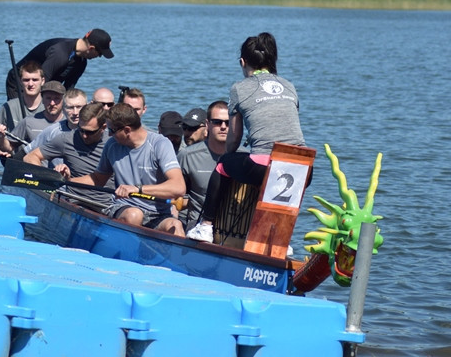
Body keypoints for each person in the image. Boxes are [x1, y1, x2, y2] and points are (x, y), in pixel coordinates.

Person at [187, 33, 305, 243]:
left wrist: (231, 157)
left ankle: (205, 226)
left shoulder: (239, 88)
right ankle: (280, 242)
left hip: (265, 166)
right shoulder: (289, 85)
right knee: (278, 172)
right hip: (303, 167)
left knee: (223, 164)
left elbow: (233, 139)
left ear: (243, 62)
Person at [70, 103, 186, 236]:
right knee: (134, 214)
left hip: (158, 213)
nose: (109, 134)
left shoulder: (160, 144)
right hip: (125, 207)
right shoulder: (112, 145)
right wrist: (66, 180)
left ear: (126, 130)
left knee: (175, 226)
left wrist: (138, 189)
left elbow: (179, 187)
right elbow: (97, 179)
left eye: (112, 130)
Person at [25, 102, 114, 206]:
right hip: (74, 201)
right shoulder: (66, 139)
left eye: (90, 132)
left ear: (103, 127)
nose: (84, 136)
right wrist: (50, 178)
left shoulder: (113, 142)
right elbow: (30, 157)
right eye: (81, 130)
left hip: (105, 204)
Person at [5, 30, 114, 99]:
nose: (99, 57)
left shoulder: (81, 63)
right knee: (22, 117)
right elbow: (40, 83)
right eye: (100, 53)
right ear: (91, 48)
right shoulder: (60, 53)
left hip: (42, 84)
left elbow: (68, 90)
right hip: (20, 82)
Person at [177, 102, 232, 231]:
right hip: (197, 228)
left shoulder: (244, 157)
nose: (223, 127)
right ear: (208, 124)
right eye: (217, 122)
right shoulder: (187, 156)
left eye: (228, 123)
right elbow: (174, 198)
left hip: (233, 230)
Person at [0, 81, 66, 159]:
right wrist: (1, 138)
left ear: (63, 100)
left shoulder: (70, 123)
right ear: (42, 100)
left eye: (57, 98)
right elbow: (8, 147)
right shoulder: (28, 122)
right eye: (48, 98)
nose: (52, 103)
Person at [23, 88, 87, 165]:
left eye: (79, 107)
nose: (75, 112)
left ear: (87, 107)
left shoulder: (97, 131)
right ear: (63, 108)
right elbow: (26, 154)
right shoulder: (52, 131)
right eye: (70, 108)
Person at [0, 61, 45, 133]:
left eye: (35, 80)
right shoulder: (8, 107)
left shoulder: (49, 107)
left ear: (42, 81)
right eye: (26, 80)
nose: (30, 84)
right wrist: (0, 138)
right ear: (20, 81)